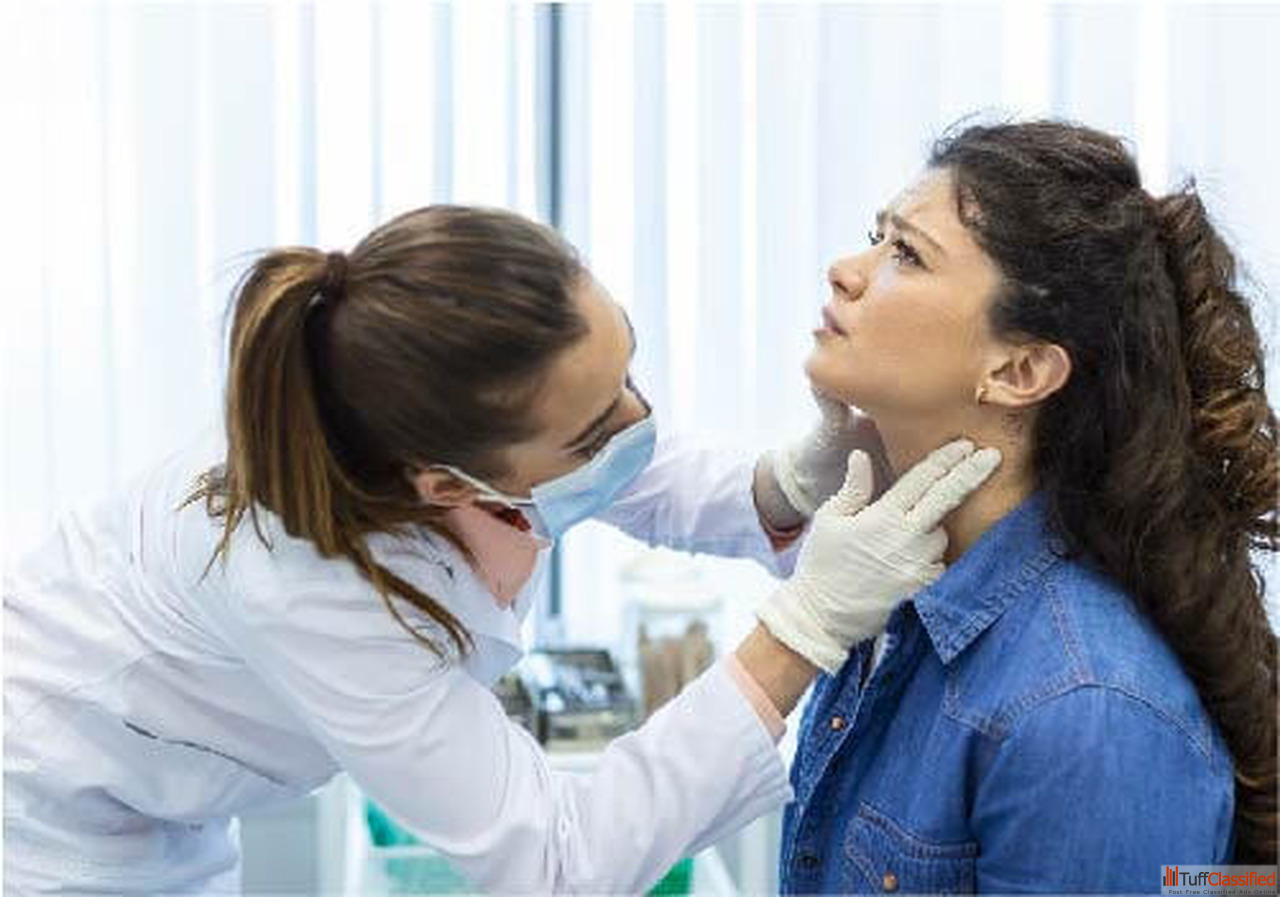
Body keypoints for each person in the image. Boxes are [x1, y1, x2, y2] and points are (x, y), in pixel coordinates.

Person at [3, 205, 1001, 894]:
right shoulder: (304, 585)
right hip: (51, 826)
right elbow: (556, 865)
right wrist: (801, 631)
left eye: (628, 371)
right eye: (598, 427)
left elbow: (618, 462)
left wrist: (782, 484)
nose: (640, 423)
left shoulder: (442, 406)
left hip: (165, 805)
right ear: (444, 484)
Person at [779, 119, 1278, 893]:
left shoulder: (1088, 710)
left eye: (906, 253)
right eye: (876, 238)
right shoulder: (893, 595)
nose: (845, 271)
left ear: (1020, 371)